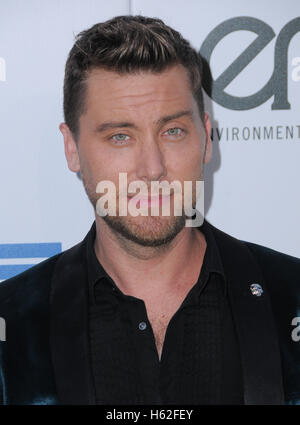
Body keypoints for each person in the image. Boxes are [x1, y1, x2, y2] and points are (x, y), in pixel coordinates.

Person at [0, 15, 299, 406]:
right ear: (71, 148)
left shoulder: (291, 296)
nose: (152, 169)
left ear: (206, 139)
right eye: (120, 136)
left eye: (172, 131)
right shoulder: (12, 325)